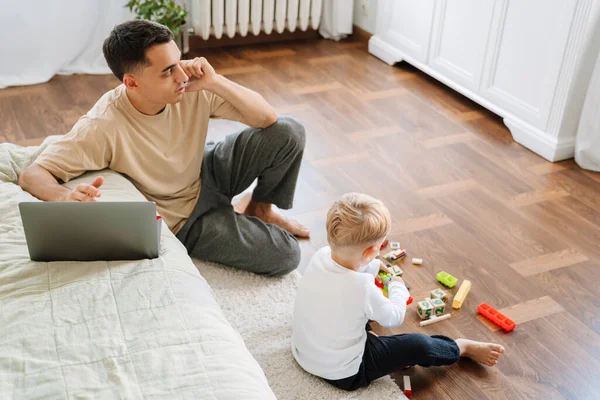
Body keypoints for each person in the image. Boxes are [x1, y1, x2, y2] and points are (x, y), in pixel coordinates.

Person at [18, 20, 309, 276]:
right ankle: (235, 216)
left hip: (206, 168)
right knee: (287, 255)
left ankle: (259, 207)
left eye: (179, 62)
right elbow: (33, 174)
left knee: (288, 130)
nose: (182, 76)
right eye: (168, 71)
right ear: (132, 82)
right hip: (186, 219)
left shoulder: (190, 85)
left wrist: (215, 81)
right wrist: (65, 197)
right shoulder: (102, 125)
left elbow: (267, 118)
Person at [291, 193, 505, 391]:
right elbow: (393, 317)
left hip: (304, 353)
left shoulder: (321, 256)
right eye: (379, 246)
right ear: (369, 252)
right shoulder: (362, 287)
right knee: (418, 345)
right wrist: (397, 286)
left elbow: (346, 274)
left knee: (342, 306)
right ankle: (460, 348)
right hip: (346, 373)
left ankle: (378, 345)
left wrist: (374, 265)